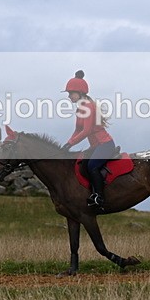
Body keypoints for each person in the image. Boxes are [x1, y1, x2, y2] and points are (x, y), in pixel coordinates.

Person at [61, 70, 115, 208]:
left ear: (80, 93)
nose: (69, 96)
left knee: (92, 166)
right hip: (96, 147)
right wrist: (67, 144)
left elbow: (86, 131)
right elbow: (77, 130)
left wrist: (71, 143)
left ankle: (99, 197)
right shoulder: (80, 109)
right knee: (81, 164)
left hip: (105, 145)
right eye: (68, 94)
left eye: (70, 93)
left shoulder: (88, 107)